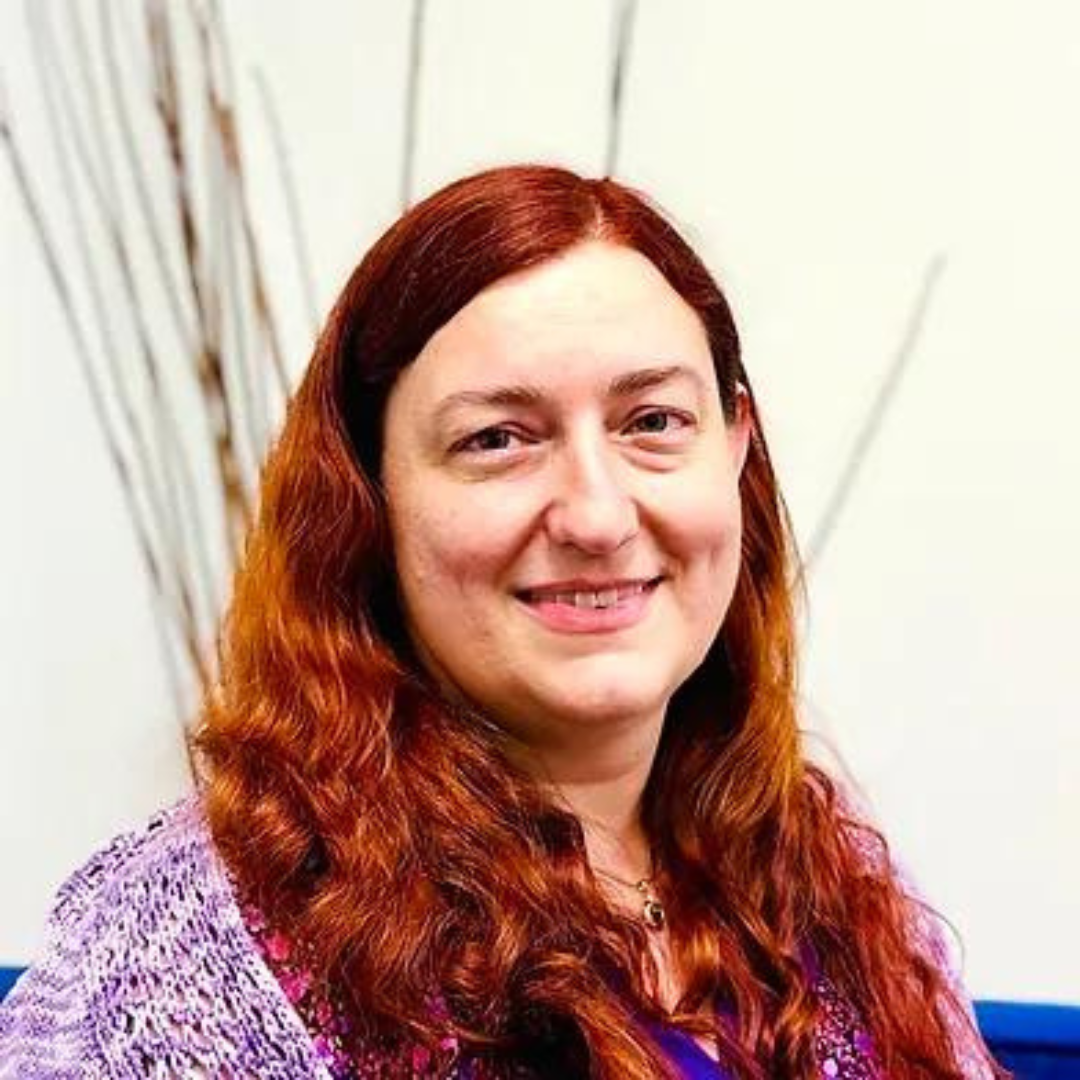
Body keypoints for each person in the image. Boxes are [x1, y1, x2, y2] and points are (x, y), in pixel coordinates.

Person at [0, 165, 1003, 1079]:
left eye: (652, 422)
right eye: (498, 439)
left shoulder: (830, 892)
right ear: (370, 497)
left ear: (736, 446)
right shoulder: (188, 954)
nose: (599, 515)